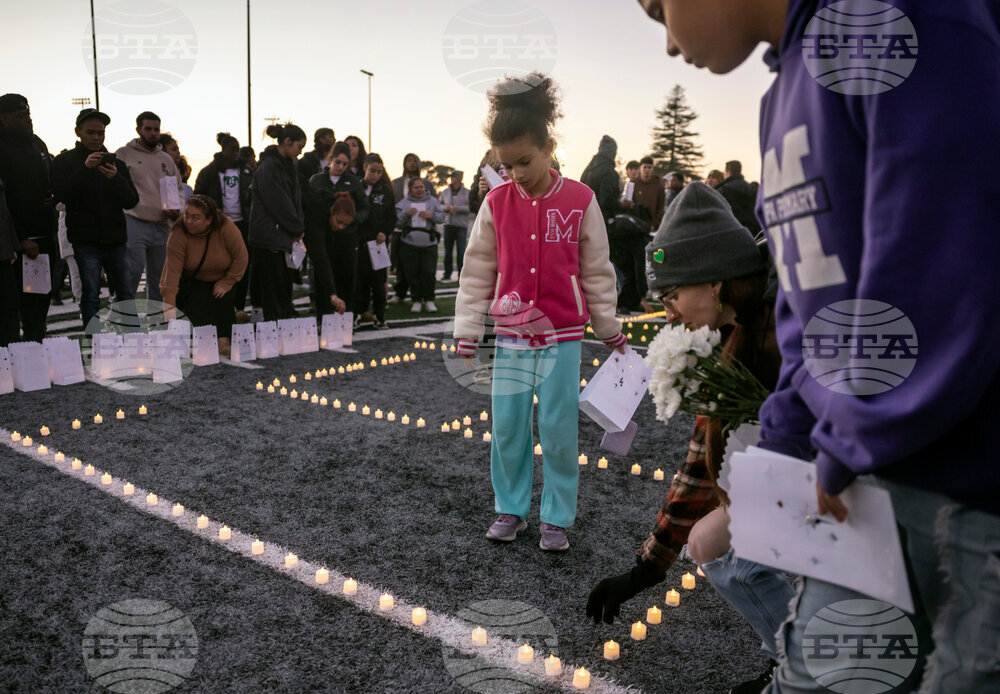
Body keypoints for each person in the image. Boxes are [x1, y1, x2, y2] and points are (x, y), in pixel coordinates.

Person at [637, 1, 1000, 692]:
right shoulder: (782, 94)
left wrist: (853, 431)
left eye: (660, 8)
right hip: (867, 472)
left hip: (964, 484)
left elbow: (945, 258)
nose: (670, 45)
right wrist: (787, 440)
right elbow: (810, 304)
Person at [587, 182, 792, 694]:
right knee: (710, 539)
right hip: (801, 479)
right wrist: (646, 569)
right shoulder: (727, 336)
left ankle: (822, 666)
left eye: (673, 295)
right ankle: (790, 658)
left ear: (715, 282)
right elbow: (702, 463)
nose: (669, 314)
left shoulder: (787, 327)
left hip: (855, 480)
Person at [454, 73, 627, 552]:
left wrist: (608, 326)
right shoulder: (495, 203)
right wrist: (468, 329)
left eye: (525, 161)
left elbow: (596, 269)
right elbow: (476, 270)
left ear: (549, 147)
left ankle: (556, 516)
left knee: (557, 428)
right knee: (508, 425)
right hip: (511, 337)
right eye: (506, 165)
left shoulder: (581, 199)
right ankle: (510, 508)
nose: (516, 173)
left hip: (563, 337)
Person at [50, 108, 139, 330]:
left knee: (126, 293)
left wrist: (116, 179)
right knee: (90, 294)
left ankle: (132, 338)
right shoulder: (65, 162)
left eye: (101, 133)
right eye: (91, 132)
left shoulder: (115, 164)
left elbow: (131, 200)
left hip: (115, 239)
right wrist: (84, 169)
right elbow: (62, 196)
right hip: (85, 240)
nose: (97, 137)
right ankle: (95, 340)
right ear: (78, 132)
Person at [0, 94, 58, 343]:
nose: (27, 120)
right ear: (4, 119)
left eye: (28, 114)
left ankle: (35, 340)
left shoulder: (37, 143)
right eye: (20, 116)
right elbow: (5, 202)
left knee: (41, 294)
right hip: (16, 241)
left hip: (44, 231)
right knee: (16, 300)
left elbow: (48, 179)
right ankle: (16, 351)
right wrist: (21, 237)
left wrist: (54, 194)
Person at [160, 194, 247, 357]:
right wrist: (169, 303)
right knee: (197, 308)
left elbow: (241, 257)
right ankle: (194, 340)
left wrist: (228, 281)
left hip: (223, 278)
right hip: (194, 281)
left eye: (195, 218)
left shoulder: (226, 227)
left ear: (209, 220)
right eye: (186, 215)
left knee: (223, 297)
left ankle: (224, 341)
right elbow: (171, 270)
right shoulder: (178, 233)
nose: (189, 221)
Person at [115, 111, 183, 304]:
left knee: (159, 278)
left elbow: (177, 188)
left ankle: (156, 319)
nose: (153, 133)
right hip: (133, 220)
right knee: (132, 271)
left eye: (156, 129)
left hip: (161, 224)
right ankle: (119, 313)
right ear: (138, 130)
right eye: (148, 129)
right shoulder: (123, 154)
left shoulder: (166, 159)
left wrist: (177, 209)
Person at [247, 122, 307, 321]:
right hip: (269, 238)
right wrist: (296, 227)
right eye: (299, 147)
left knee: (283, 289)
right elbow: (277, 202)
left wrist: (297, 228)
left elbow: (295, 199)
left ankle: (282, 325)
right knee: (272, 291)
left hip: (282, 236)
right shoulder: (269, 167)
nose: (300, 152)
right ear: (287, 141)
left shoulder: (286, 166)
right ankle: (273, 327)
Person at [306, 141, 369, 318]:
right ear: (330, 159)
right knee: (323, 277)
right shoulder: (316, 180)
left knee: (346, 278)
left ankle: (346, 318)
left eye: (345, 164)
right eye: (338, 162)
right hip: (323, 236)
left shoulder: (354, 182)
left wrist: (351, 220)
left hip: (347, 238)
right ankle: (323, 317)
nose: (340, 167)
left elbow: (365, 207)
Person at [194, 132, 253, 317]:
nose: (236, 153)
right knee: (220, 265)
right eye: (232, 150)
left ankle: (239, 306)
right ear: (223, 150)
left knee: (242, 265)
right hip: (219, 226)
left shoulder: (246, 171)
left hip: (242, 223)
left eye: (238, 150)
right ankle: (220, 305)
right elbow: (198, 196)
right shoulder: (209, 172)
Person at [354, 153, 395, 330]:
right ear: (365, 168)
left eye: (379, 172)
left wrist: (385, 232)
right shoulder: (355, 187)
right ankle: (358, 314)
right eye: (372, 170)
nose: (375, 175)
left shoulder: (385, 191)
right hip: (359, 243)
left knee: (378, 282)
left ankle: (379, 316)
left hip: (378, 245)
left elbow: (391, 217)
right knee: (358, 281)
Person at [396, 178, 443, 313]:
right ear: (410, 190)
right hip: (409, 243)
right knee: (412, 273)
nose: (419, 190)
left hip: (429, 243)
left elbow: (441, 218)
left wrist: (431, 215)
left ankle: (429, 300)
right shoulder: (404, 203)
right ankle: (416, 300)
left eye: (421, 187)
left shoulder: (433, 201)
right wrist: (406, 214)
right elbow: (397, 222)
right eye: (416, 187)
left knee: (428, 272)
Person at [580, 135, 622, 225]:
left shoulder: (588, 169)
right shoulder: (608, 172)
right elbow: (607, 202)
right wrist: (622, 204)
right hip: (602, 222)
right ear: (613, 153)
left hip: (585, 220)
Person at [439, 169, 470, 281]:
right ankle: (447, 274)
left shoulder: (467, 193)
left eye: (455, 177)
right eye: (451, 177)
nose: (453, 179)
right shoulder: (445, 192)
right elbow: (439, 205)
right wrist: (445, 208)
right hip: (448, 225)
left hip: (461, 226)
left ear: (460, 178)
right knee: (448, 251)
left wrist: (459, 209)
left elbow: (471, 207)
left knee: (461, 252)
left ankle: (461, 275)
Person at [0, 175, 19, 346]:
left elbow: (5, 212)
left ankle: (9, 350)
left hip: (3, 250)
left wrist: (12, 244)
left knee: (9, 307)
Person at [715, 160, 760, 234]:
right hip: (755, 234)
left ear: (728, 173)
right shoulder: (753, 189)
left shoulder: (723, 191)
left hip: (732, 233)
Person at [159, 133, 193, 202]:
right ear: (162, 152)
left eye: (178, 149)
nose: (178, 152)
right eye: (174, 149)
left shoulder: (184, 188)